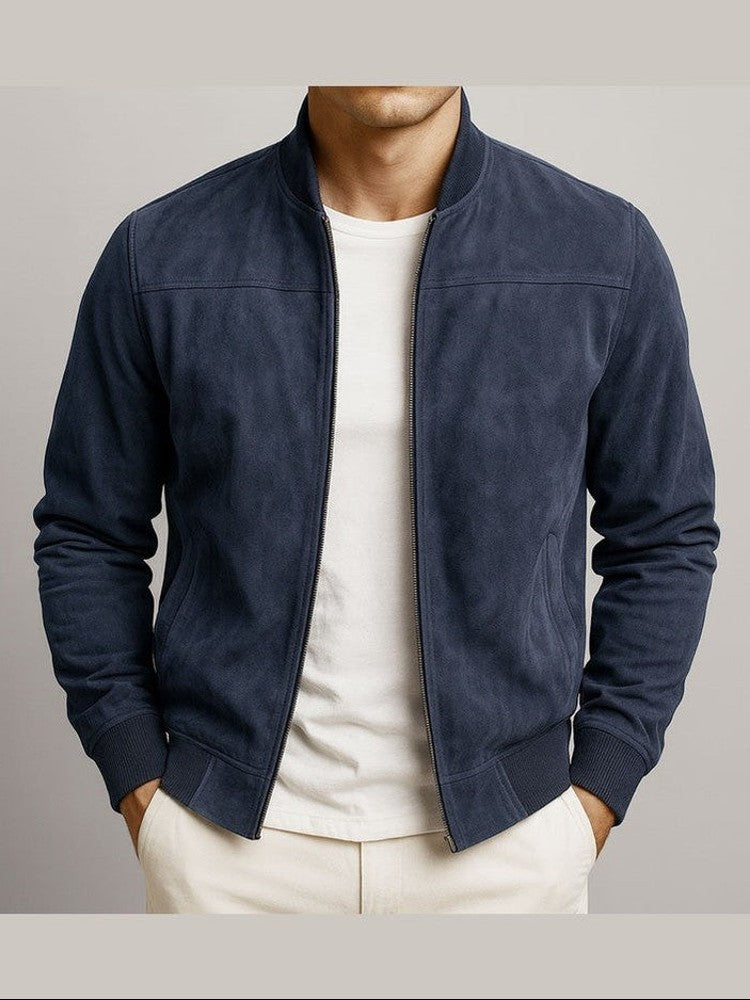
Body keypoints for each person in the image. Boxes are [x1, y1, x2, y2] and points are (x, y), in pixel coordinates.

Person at [32, 85, 720, 914]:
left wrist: (598, 789)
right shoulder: (164, 254)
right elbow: (86, 531)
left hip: (508, 849)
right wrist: (138, 776)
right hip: (228, 851)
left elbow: (665, 535)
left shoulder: (601, 250)